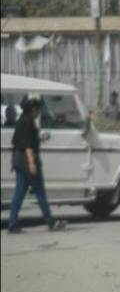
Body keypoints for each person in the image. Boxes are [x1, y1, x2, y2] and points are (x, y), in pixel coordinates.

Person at [7, 97, 67, 233]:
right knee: (40, 193)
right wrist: (32, 164)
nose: (39, 112)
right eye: (39, 109)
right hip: (27, 161)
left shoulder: (21, 120)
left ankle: (12, 224)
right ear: (34, 109)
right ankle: (51, 223)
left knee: (19, 194)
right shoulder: (29, 121)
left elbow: (18, 142)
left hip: (18, 160)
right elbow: (27, 146)